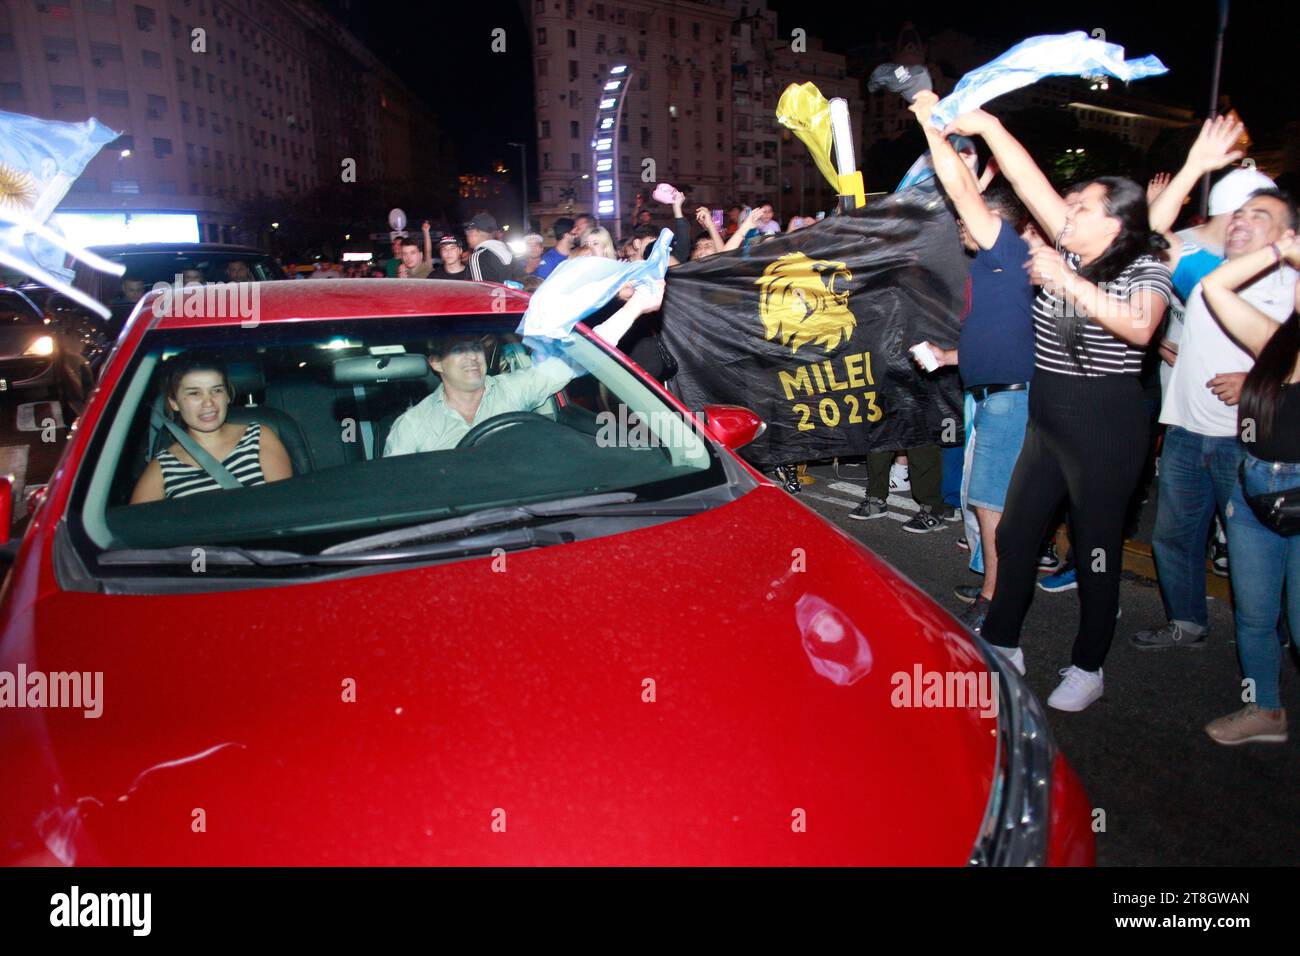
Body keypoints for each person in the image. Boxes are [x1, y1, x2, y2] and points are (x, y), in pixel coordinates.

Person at [944, 106, 1172, 711]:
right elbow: (1024, 179)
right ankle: (1003, 642)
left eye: (1081, 209)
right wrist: (987, 126)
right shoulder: (1067, 251)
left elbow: (1143, 329)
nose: (1065, 214)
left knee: (1096, 549)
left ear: (1116, 223)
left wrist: (1071, 285)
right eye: (1066, 207)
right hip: (1048, 418)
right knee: (1017, 535)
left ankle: (1088, 665)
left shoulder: (1144, 266)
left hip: (1106, 426)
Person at [1136, 177, 1297, 651]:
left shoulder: (1293, 288)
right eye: (1239, 214)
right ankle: (1186, 621)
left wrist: (1259, 379)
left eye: (1259, 216)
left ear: (1287, 235)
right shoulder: (1207, 271)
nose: (1241, 221)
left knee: (1265, 551)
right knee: (1174, 537)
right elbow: (1151, 236)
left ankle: (1283, 638)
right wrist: (1195, 168)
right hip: (1186, 430)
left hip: (1248, 441)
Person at [906, 90, 1040, 631]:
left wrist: (930, 128)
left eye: (968, 221)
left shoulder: (1005, 251)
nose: (961, 227)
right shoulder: (990, 270)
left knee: (990, 503)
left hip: (1009, 399)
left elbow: (962, 193)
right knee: (981, 502)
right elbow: (996, 337)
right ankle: (993, 585)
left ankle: (995, 601)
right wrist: (946, 356)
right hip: (987, 395)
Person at [1199, 234, 1300, 743]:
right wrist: (1278, 250)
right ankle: (1265, 709)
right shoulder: (1276, 341)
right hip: (1254, 487)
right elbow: (1216, 286)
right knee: (1255, 614)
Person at [383, 281, 664, 455]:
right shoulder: (412, 427)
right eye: (458, 350)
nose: (472, 356)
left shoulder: (514, 390)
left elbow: (581, 356)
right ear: (436, 363)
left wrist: (637, 306)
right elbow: (395, 495)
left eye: (475, 347)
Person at [130, 353, 292, 503]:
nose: (208, 402)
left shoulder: (259, 437)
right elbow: (136, 527)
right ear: (173, 402)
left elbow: (285, 506)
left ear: (228, 395)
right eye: (194, 393)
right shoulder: (163, 466)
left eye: (217, 390)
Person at [464, 213, 519, 283]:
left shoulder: (478, 256)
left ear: (474, 232)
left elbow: (480, 289)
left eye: (468, 232)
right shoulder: (508, 250)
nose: (467, 235)